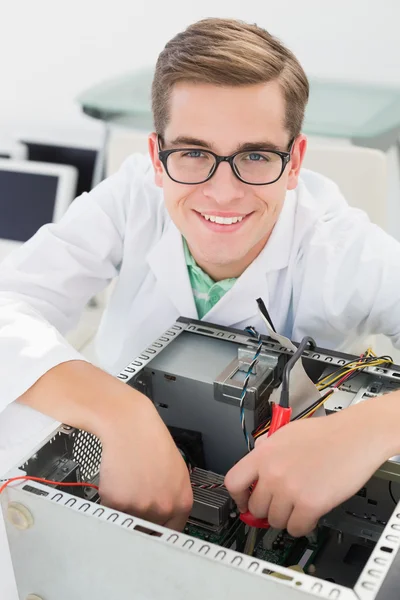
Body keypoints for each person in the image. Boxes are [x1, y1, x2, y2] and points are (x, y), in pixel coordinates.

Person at [1, 17, 400, 537]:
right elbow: (11, 305)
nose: (224, 192)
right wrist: (122, 413)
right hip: (119, 454)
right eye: (193, 153)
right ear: (156, 160)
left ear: (296, 161)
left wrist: (364, 431)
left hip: (284, 498)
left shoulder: (344, 249)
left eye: (256, 156)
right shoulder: (130, 199)